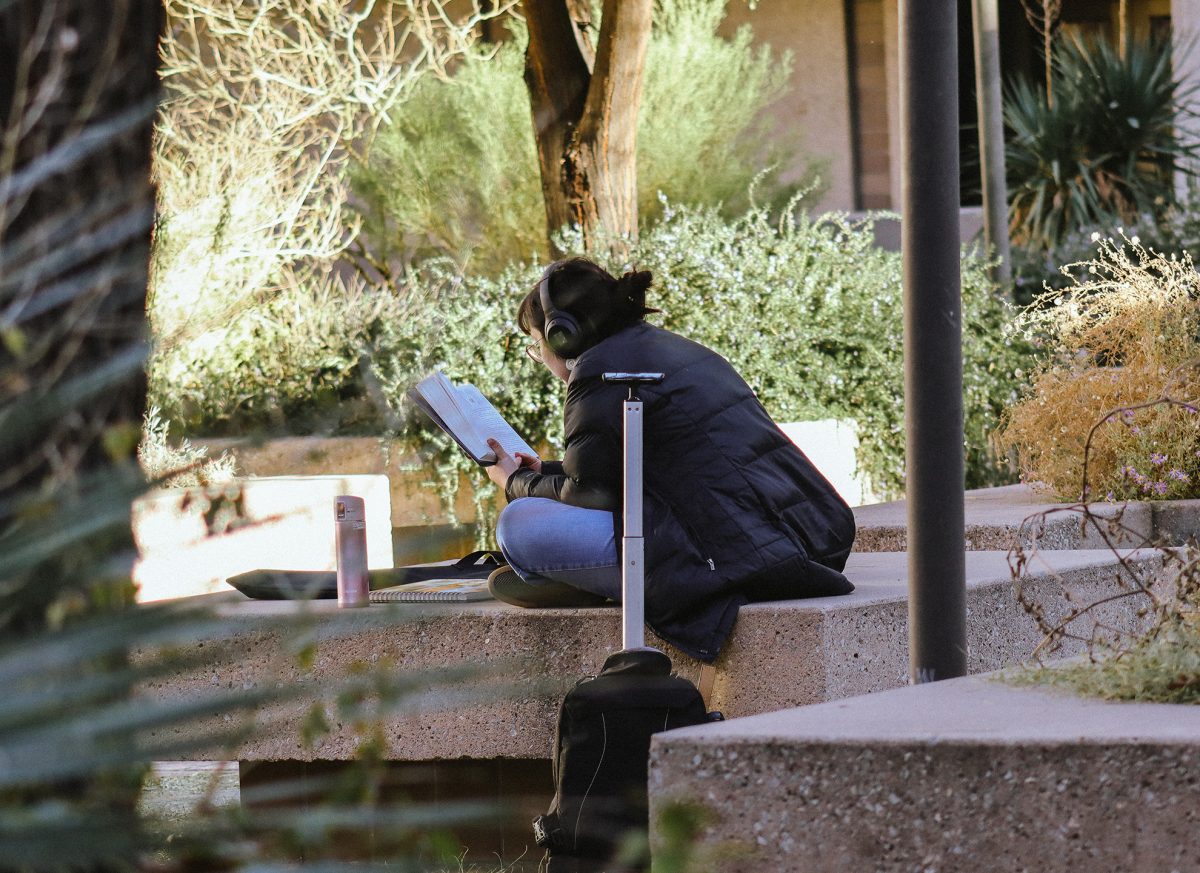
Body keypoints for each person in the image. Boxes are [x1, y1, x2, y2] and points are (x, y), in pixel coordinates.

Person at [483, 257, 855, 663]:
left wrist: (514, 483)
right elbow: (634, 465)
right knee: (540, 508)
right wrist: (548, 471)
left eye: (537, 345)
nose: (540, 356)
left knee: (518, 525)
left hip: (720, 554)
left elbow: (590, 492)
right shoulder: (671, 347)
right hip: (798, 534)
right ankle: (580, 576)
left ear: (561, 336)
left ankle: (582, 578)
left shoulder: (598, 372)